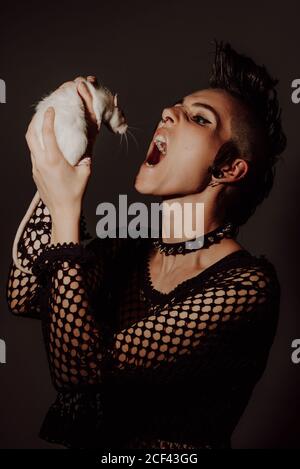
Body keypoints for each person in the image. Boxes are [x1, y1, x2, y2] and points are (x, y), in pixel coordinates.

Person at [6, 41, 286, 449]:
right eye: (176, 105)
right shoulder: (127, 251)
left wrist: (66, 210)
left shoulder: (246, 287)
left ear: (228, 168)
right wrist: (69, 148)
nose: (167, 113)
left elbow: (80, 373)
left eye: (198, 118)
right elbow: (26, 294)